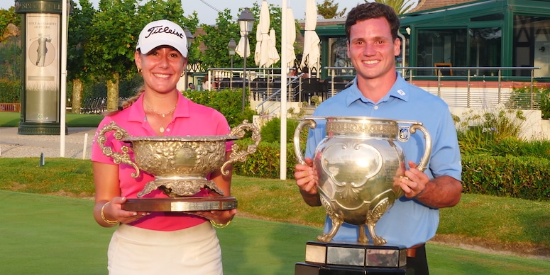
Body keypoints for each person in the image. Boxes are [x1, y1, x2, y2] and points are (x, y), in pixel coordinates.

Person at [293, 3, 463, 275]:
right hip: (337, 260)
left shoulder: (432, 109)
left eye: (379, 41)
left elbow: (452, 189)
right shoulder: (326, 113)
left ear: (397, 46)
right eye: (359, 42)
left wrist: (425, 189)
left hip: (405, 262)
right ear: (347, 49)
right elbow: (314, 199)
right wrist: (307, 187)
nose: (369, 51)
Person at [91, 19, 235, 275]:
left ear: (184, 64)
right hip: (132, 254)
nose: (164, 63)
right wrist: (111, 212)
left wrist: (220, 212)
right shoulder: (112, 125)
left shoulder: (213, 121)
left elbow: (224, 207)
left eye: (173, 54)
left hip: (198, 252)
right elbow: (101, 207)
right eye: (154, 54)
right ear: (139, 60)